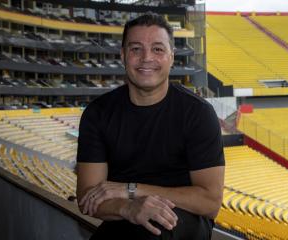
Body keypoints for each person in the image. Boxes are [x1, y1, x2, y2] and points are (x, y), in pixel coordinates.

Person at [76, 13, 225, 239]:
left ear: (171, 57)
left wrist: (131, 190)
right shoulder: (98, 113)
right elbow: (87, 198)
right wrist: (129, 207)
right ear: (123, 55)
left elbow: (209, 202)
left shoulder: (198, 113)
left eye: (157, 49)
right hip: (123, 217)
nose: (147, 58)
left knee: (155, 231)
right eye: (136, 49)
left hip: (183, 217)